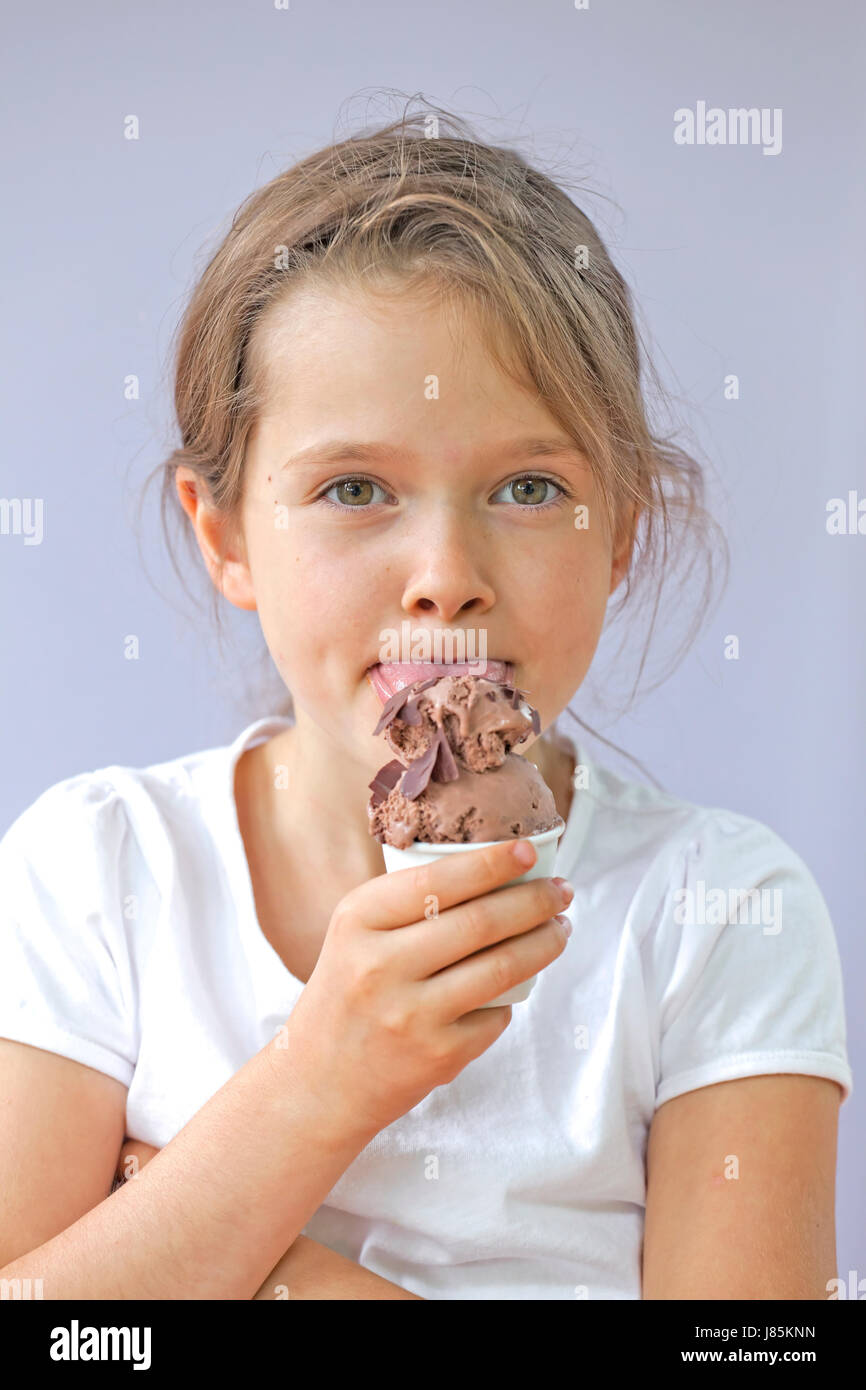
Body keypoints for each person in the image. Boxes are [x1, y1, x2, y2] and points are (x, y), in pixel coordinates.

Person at [0, 102, 852, 1301]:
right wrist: (316, 1080)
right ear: (225, 534)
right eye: (354, 486)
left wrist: (282, 1274)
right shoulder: (94, 875)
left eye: (525, 484)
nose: (446, 578)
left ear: (619, 535)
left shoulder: (714, 913)